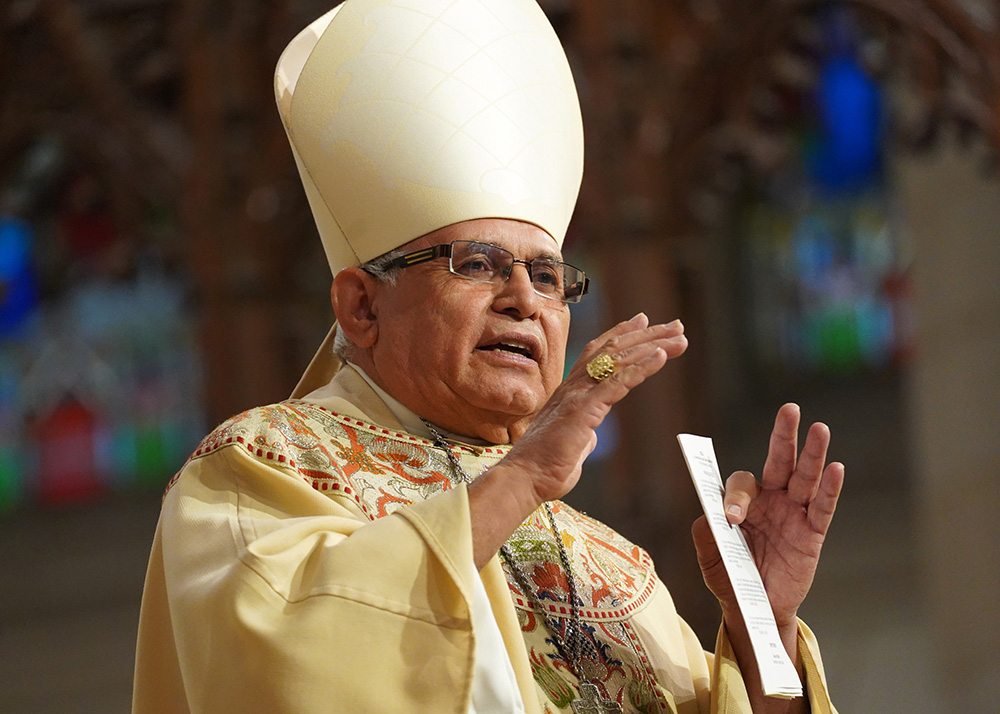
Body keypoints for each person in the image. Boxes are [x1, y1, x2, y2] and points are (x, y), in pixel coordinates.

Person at [132, 1, 844, 713]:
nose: (523, 300)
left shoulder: (612, 565)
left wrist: (763, 622)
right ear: (361, 306)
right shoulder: (260, 466)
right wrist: (525, 473)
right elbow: (287, 663)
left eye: (546, 276)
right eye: (476, 264)